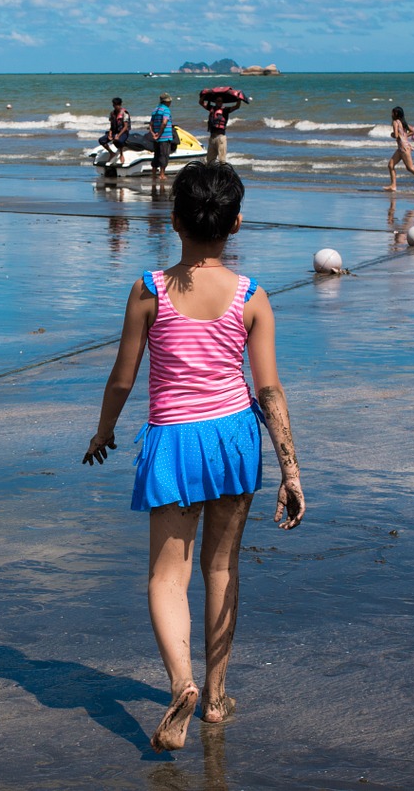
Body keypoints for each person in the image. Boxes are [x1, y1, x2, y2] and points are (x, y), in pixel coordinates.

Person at [82, 161, 306, 753]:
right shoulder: (253, 296)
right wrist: (291, 469)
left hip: (173, 444)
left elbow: (122, 378)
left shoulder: (148, 290)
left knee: (166, 576)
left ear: (174, 219)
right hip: (234, 439)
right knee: (223, 568)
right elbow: (269, 390)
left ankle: (179, 682)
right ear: (235, 223)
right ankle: (214, 696)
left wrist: (103, 432)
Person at [384, 106, 414, 191]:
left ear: (396, 114)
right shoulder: (403, 122)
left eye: (392, 112)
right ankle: (393, 186)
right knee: (391, 165)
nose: (391, 114)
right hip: (403, 147)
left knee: (410, 168)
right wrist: (405, 135)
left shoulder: (395, 122)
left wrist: (392, 134)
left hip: (403, 148)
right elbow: (413, 131)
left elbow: (396, 135)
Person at [199, 92, 240, 165]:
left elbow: (237, 106)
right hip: (212, 138)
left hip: (221, 138)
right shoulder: (211, 108)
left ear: (222, 102)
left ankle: (222, 174)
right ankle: (211, 174)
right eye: (217, 101)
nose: (219, 102)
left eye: (220, 101)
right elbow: (201, 102)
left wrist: (238, 99)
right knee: (210, 161)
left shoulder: (225, 110)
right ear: (215, 102)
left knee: (222, 161)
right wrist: (205, 95)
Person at [149, 93, 176, 180]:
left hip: (156, 137)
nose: (170, 103)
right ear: (166, 101)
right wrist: (160, 134)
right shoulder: (166, 110)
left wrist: (153, 134)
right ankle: (162, 174)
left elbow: (151, 124)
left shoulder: (155, 109)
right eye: (169, 101)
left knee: (156, 155)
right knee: (164, 155)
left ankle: (153, 173)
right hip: (164, 136)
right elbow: (164, 122)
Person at [98, 97, 131, 165]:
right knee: (101, 140)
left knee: (118, 140)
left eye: (118, 105)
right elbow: (112, 126)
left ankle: (121, 154)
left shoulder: (125, 113)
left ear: (120, 105)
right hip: (114, 132)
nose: (116, 106)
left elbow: (125, 127)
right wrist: (110, 134)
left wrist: (118, 136)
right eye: (115, 105)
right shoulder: (112, 113)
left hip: (123, 132)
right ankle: (111, 153)